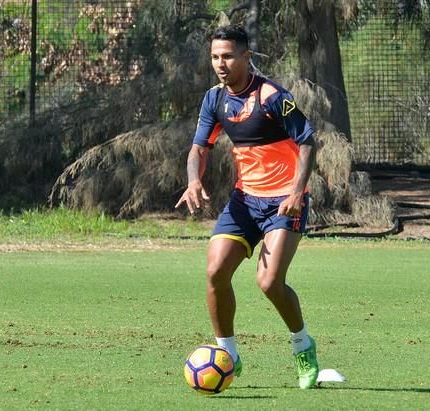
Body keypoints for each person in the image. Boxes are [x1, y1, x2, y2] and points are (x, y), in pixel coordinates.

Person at [175, 25, 319, 389]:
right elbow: (199, 149)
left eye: (227, 56)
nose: (220, 64)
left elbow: (307, 142)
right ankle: (228, 354)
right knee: (215, 273)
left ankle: (303, 346)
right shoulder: (214, 99)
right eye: (214, 57)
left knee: (269, 282)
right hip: (245, 201)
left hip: (283, 202)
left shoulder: (272, 96)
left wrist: (297, 192)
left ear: (245, 57)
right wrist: (194, 180)